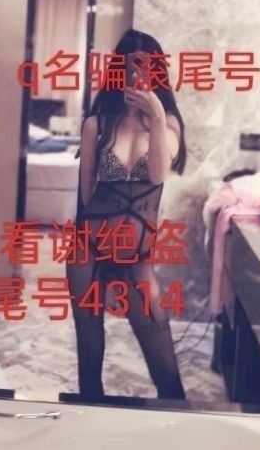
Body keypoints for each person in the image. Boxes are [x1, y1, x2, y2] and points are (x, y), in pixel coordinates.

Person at [67, 28, 187, 401]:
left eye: (146, 69)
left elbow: (157, 174)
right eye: (131, 69)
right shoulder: (97, 123)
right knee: (90, 362)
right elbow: (87, 194)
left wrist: (155, 112)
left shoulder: (168, 123)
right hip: (88, 249)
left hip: (137, 258)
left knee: (166, 373)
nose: (138, 78)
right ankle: (90, 425)